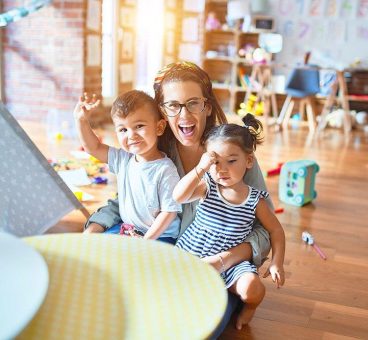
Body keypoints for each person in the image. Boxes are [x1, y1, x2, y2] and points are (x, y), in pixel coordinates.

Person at [83, 62, 271, 336]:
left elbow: (265, 228)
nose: (184, 114)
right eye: (173, 105)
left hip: (219, 264)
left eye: (192, 103)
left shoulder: (231, 152)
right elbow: (128, 199)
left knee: (196, 327)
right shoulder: (155, 149)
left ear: (206, 106)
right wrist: (95, 225)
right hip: (168, 252)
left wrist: (224, 259)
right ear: (162, 112)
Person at [173, 113, 286, 330]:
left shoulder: (255, 199)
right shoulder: (208, 186)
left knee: (252, 287)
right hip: (194, 251)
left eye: (231, 161)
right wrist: (201, 168)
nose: (221, 169)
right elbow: (178, 197)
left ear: (249, 160)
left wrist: (277, 262)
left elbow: (276, 230)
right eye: (215, 162)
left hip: (231, 263)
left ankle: (249, 307)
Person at [74, 90, 181, 242]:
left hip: (161, 236)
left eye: (139, 126)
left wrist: (146, 241)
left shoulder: (165, 169)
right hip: (130, 229)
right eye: (123, 129)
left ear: (159, 128)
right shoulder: (123, 159)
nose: (131, 135)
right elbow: (93, 147)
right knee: (100, 246)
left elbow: (169, 212)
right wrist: (81, 121)